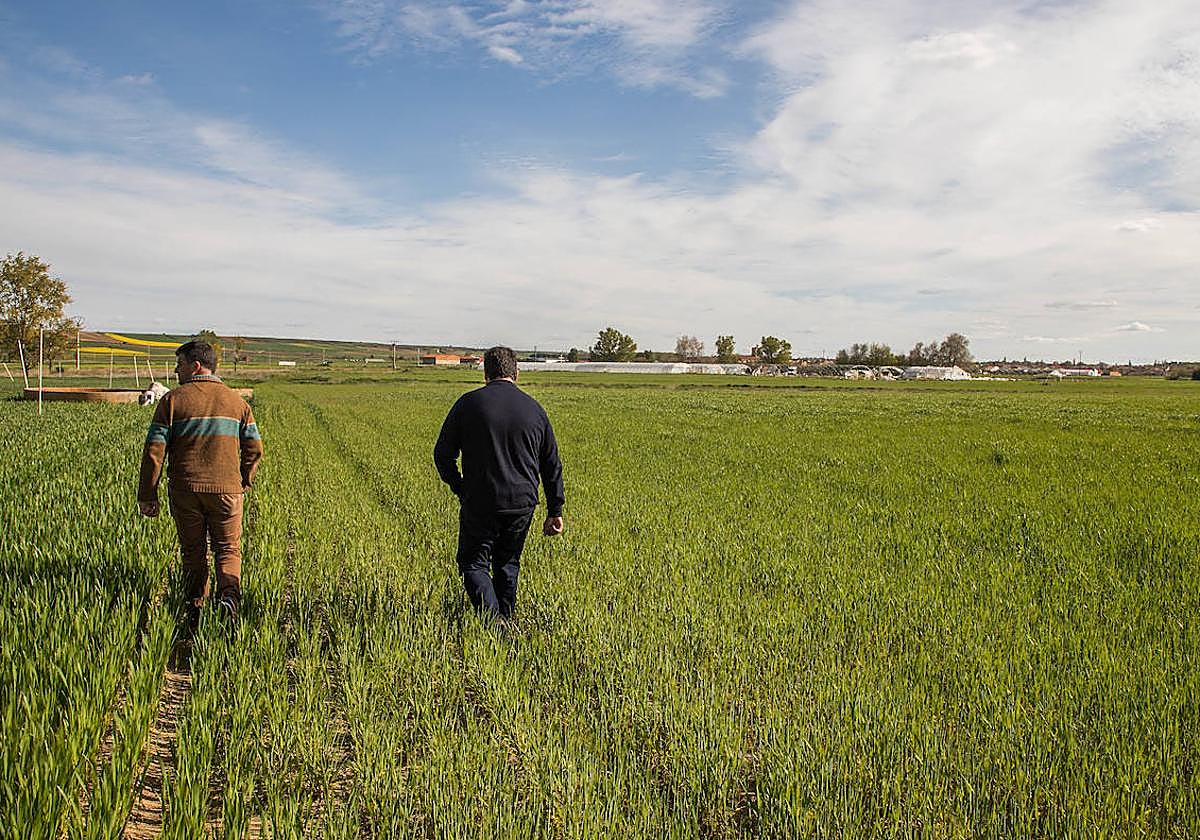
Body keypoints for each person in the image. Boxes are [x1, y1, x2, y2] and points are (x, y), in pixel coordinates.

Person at [434, 346, 565, 621]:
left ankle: (495, 628)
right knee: (507, 563)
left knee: (473, 563)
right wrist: (555, 510)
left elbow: (443, 455)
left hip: (480, 501)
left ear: (485, 373)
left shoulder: (468, 404)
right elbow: (551, 463)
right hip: (522, 504)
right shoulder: (535, 409)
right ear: (516, 372)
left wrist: (460, 487)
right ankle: (505, 623)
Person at [138, 340, 263, 626]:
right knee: (228, 548)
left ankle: (195, 607)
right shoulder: (237, 402)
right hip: (227, 491)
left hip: (186, 490)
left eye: (179, 364)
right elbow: (254, 448)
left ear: (195, 366)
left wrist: (148, 494)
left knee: (193, 550)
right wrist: (244, 479)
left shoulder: (172, 401)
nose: (175, 370)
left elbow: (154, 451)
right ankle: (229, 599)